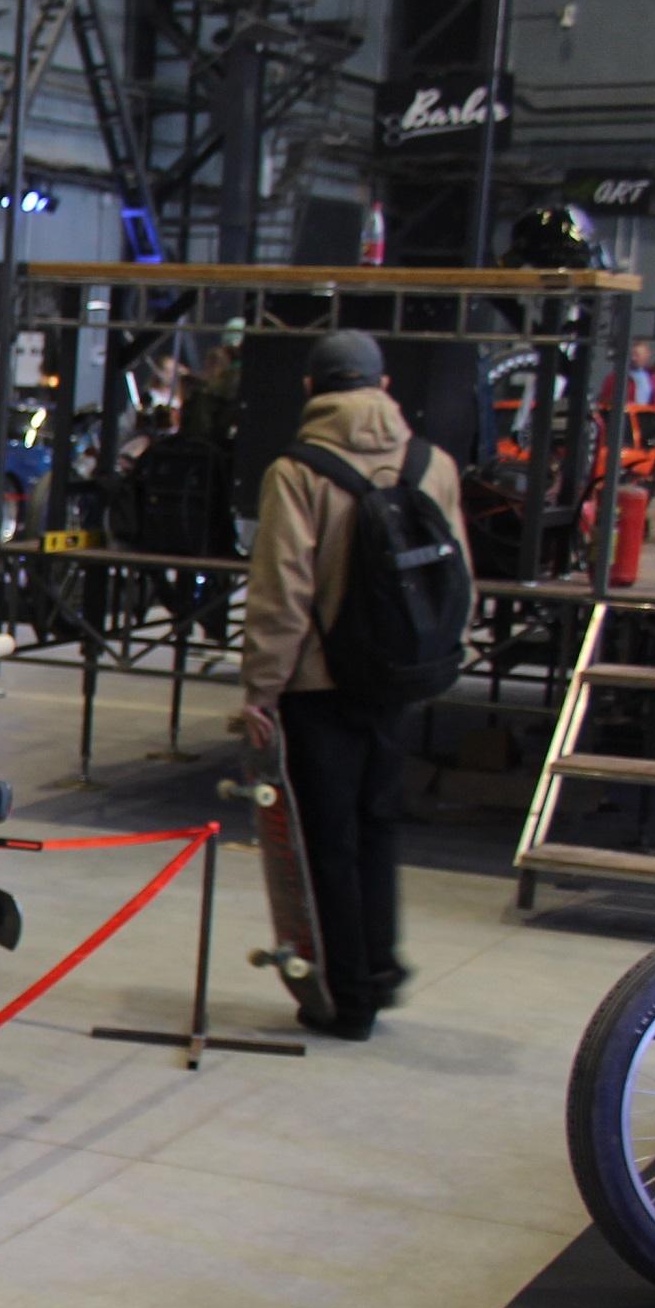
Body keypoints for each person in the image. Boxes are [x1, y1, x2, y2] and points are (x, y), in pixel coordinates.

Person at [241, 329, 471, 1043]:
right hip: (398, 680)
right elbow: (460, 577)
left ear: (311, 389)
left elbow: (282, 593)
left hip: (319, 683)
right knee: (377, 826)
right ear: (384, 386)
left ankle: (345, 997)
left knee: (326, 841)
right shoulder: (433, 464)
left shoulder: (296, 472)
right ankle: (379, 967)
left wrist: (261, 689)